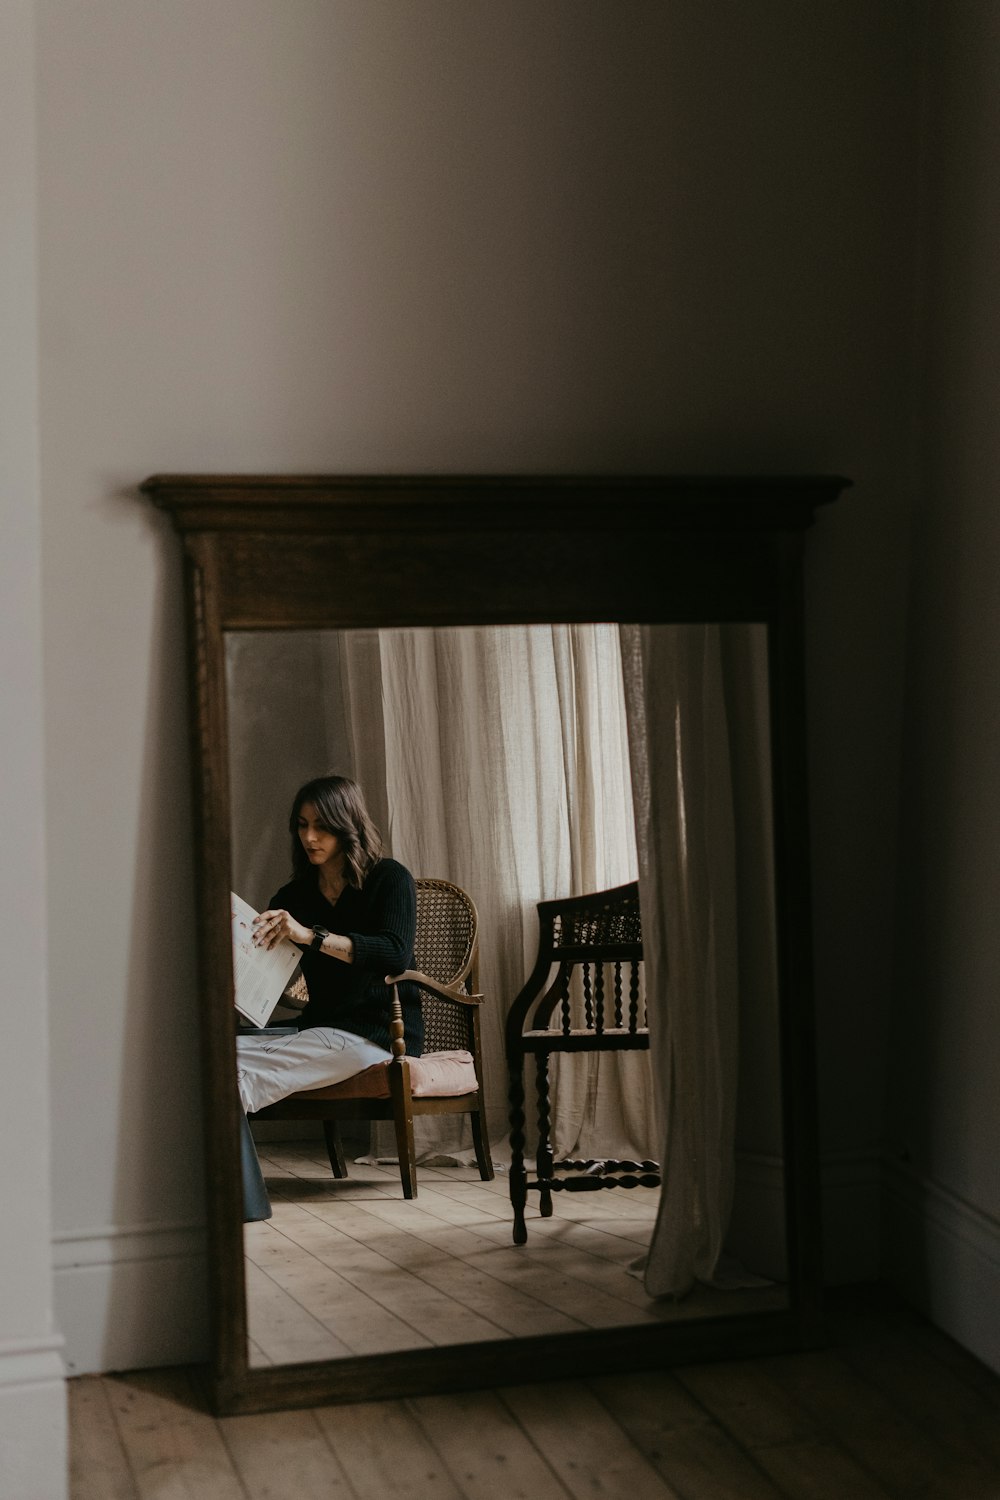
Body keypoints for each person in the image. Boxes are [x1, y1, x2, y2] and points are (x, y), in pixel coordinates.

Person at [236, 774, 420, 1120]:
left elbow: (394, 953)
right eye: (302, 826)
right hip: (317, 1029)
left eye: (321, 826)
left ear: (346, 825)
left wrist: (310, 936)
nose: (309, 837)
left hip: (377, 1034)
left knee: (232, 1079)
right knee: (211, 1059)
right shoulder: (292, 897)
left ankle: (230, 1174)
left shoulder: (390, 879)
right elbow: (282, 983)